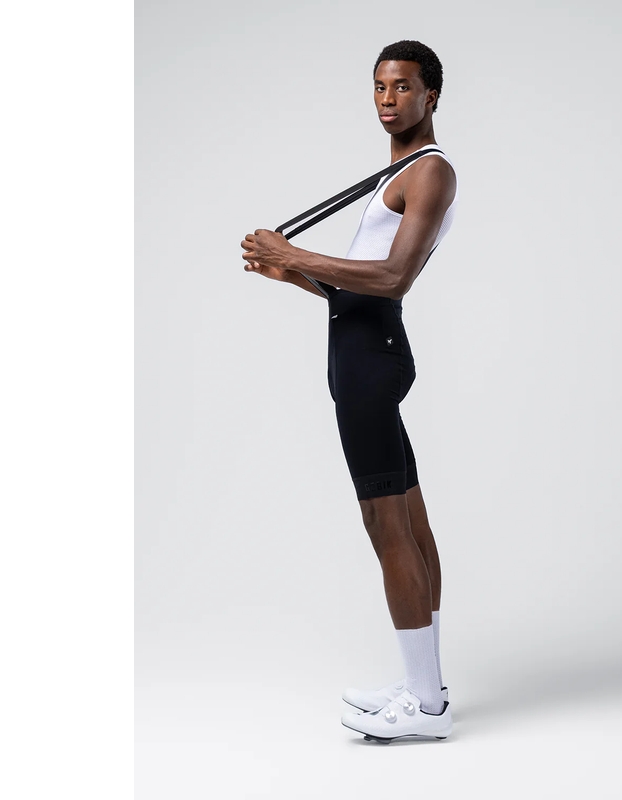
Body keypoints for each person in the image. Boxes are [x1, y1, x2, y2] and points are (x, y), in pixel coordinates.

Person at [240, 40, 458, 743]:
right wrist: (293, 275)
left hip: (370, 364)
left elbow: (393, 278)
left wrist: (292, 250)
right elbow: (358, 287)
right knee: (411, 523)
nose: (388, 99)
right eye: (379, 87)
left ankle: (425, 707)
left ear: (431, 96)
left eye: (403, 86)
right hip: (364, 353)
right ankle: (425, 685)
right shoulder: (398, 169)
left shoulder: (430, 171)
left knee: (385, 526)